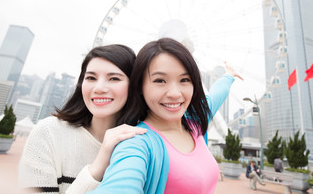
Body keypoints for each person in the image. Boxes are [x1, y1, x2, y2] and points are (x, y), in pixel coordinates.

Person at [88, 38, 239, 194]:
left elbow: (215, 96)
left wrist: (229, 75)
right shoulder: (137, 143)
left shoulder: (195, 124)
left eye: (184, 80)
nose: (174, 93)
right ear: (140, 86)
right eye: (160, 80)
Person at [18, 45, 148, 194]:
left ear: (134, 86)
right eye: (91, 78)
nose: (99, 88)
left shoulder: (143, 143)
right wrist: (98, 165)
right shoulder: (49, 133)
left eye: (114, 78)